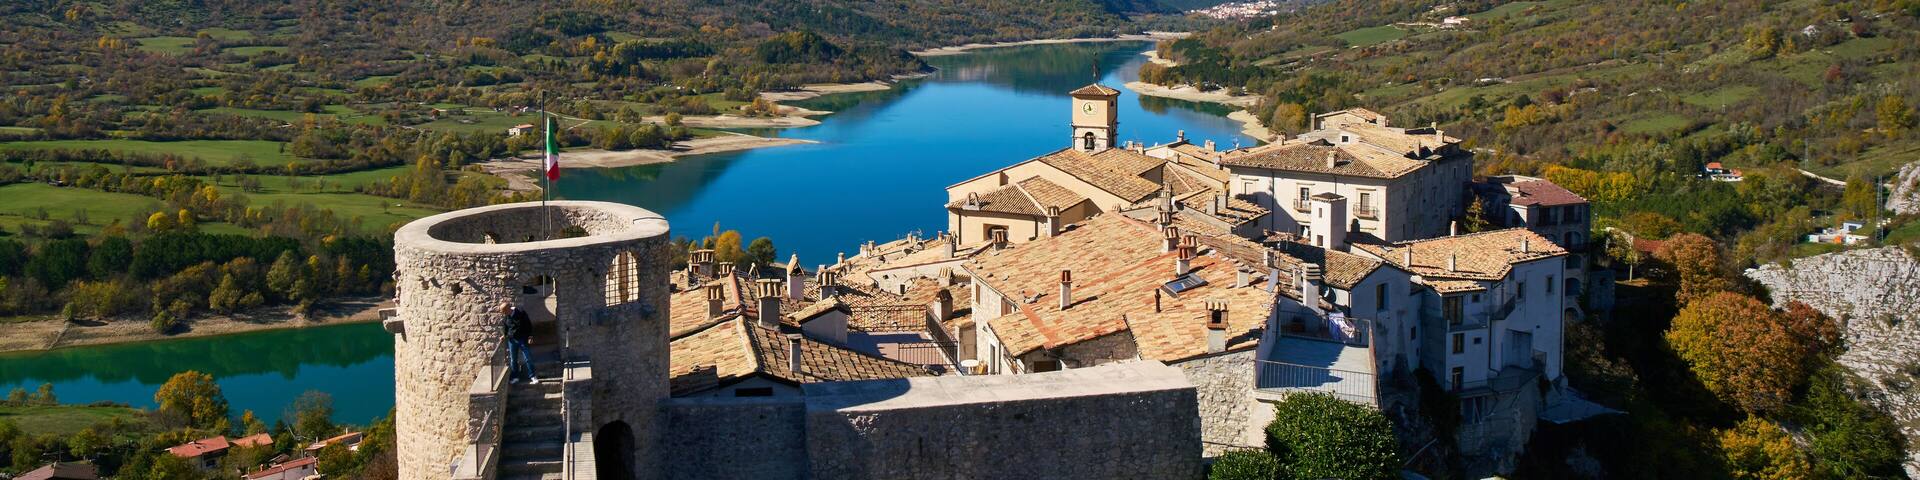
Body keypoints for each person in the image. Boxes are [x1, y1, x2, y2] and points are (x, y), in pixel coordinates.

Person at [501, 301, 536, 384]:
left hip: (522, 339)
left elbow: (528, 325)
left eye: (503, 311)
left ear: (508, 309)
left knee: (528, 358)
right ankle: (515, 377)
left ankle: (532, 376)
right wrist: (504, 335)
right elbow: (506, 327)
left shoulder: (521, 313)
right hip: (512, 340)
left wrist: (530, 336)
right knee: (513, 360)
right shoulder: (506, 317)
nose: (502, 313)